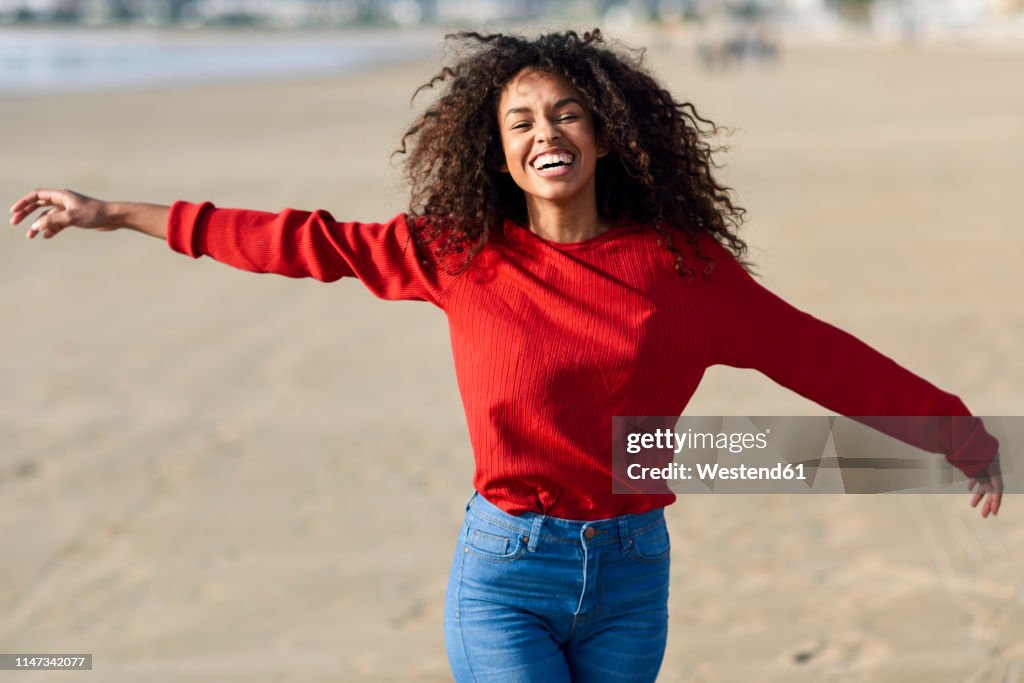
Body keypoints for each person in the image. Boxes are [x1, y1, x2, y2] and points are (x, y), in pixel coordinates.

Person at [8, 28, 1003, 683]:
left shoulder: (681, 271)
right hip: (506, 571)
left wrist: (954, 432)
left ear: (606, 135)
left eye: (565, 112)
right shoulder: (460, 255)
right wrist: (115, 214)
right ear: (497, 149)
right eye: (520, 120)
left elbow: (814, 353)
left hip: (630, 572)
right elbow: (297, 239)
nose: (544, 132)